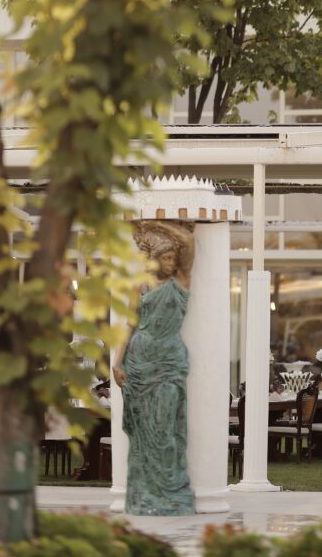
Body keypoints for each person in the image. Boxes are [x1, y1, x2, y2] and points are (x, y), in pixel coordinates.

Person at [113, 221, 196, 516]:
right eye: (166, 257)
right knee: (142, 431)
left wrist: (153, 224)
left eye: (174, 258)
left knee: (166, 427)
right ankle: (145, 494)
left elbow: (188, 241)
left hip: (169, 361)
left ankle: (170, 490)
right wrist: (117, 361)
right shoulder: (141, 285)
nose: (172, 262)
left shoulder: (181, 283)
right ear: (155, 260)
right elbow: (129, 324)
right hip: (139, 361)